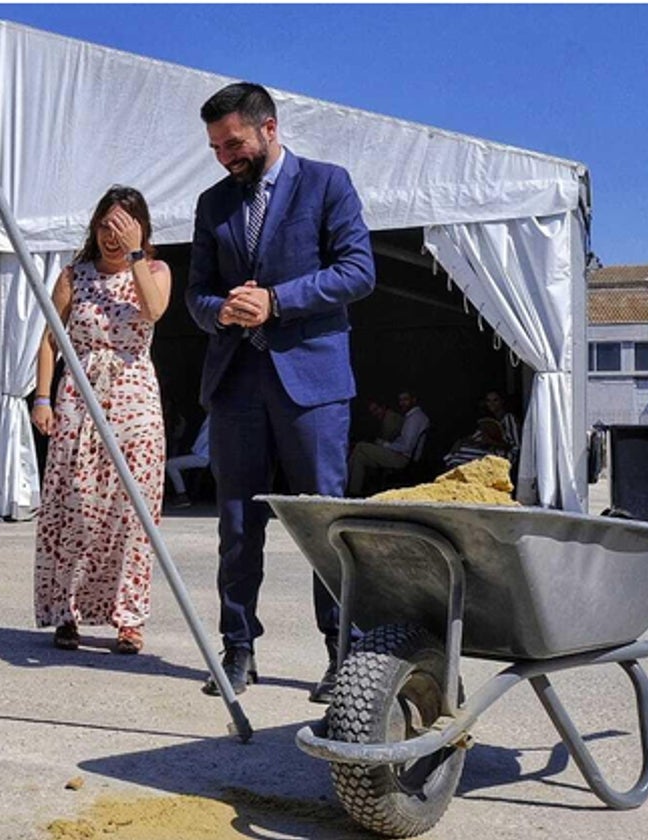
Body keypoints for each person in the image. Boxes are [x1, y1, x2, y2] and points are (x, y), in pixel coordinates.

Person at [184, 82, 375, 702]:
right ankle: (238, 648)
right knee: (237, 525)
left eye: (233, 143)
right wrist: (223, 313)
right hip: (237, 384)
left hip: (311, 384)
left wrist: (276, 301)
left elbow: (358, 272)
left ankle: (341, 655)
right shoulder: (213, 204)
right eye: (215, 147)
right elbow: (197, 295)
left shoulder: (327, 184)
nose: (224, 157)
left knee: (326, 524)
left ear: (269, 128)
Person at [31, 186, 172, 655]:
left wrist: (135, 254)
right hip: (79, 396)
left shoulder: (154, 270)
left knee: (133, 510)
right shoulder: (75, 275)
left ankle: (128, 618)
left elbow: (154, 311)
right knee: (76, 503)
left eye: (123, 227)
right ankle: (67, 613)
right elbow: (51, 340)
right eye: (105, 226)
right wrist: (42, 398)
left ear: (140, 229)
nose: (111, 236)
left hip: (134, 398)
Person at [346, 390, 429, 497]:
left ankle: (345, 483)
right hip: (401, 454)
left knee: (360, 446)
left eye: (405, 400)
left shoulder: (414, 418)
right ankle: (353, 491)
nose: (402, 403)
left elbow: (406, 446)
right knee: (360, 457)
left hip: (402, 458)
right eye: (400, 400)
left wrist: (385, 445)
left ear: (414, 400)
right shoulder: (412, 417)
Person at [442, 390, 520, 468]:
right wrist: (461, 441)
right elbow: (476, 437)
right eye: (488, 401)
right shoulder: (489, 419)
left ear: (502, 401)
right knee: (459, 450)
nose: (491, 404)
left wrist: (492, 442)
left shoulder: (509, 418)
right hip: (490, 450)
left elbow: (514, 446)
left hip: (505, 454)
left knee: (465, 454)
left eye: (495, 400)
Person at [166, 414, 210, 508]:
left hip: (205, 457)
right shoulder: (211, 418)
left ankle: (182, 495)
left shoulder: (215, 418)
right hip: (202, 454)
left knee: (170, 464)